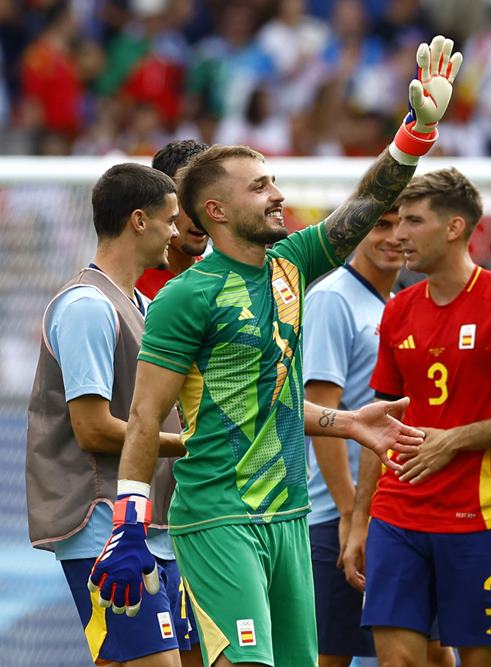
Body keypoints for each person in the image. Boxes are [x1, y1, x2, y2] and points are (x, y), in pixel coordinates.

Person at [88, 36, 463, 667]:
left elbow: (368, 201)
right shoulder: (187, 297)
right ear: (217, 210)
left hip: (289, 516)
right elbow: (147, 418)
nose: (278, 195)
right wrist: (130, 521)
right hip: (218, 521)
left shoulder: (293, 264)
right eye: (261, 186)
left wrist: (417, 130)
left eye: (274, 182)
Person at [343, 168, 491, 667]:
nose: (399, 234)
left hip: (479, 518)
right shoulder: (398, 310)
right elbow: (379, 425)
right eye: (398, 220)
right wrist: (361, 521)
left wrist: (452, 440)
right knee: (398, 661)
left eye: (412, 221)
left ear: (454, 228)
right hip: (398, 516)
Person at [26, 162, 201, 666]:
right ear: (138, 220)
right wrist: (189, 444)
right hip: (103, 524)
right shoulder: (88, 305)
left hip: (148, 524)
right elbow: (93, 427)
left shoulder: (140, 302)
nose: (176, 233)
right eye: (170, 220)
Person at [303, 205, 456, 667]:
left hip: (396, 508)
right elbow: (322, 412)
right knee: (329, 655)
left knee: (431, 650)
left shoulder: (397, 304)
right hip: (338, 512)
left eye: (405, 225)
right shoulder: (332, 297)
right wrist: (352, 511)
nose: (394, 237)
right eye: (381, 226)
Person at [136, 139, 211, 300]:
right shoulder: (129, 288)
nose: (199, 214)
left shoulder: (225, 273)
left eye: (209, 198)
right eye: (186, 199)